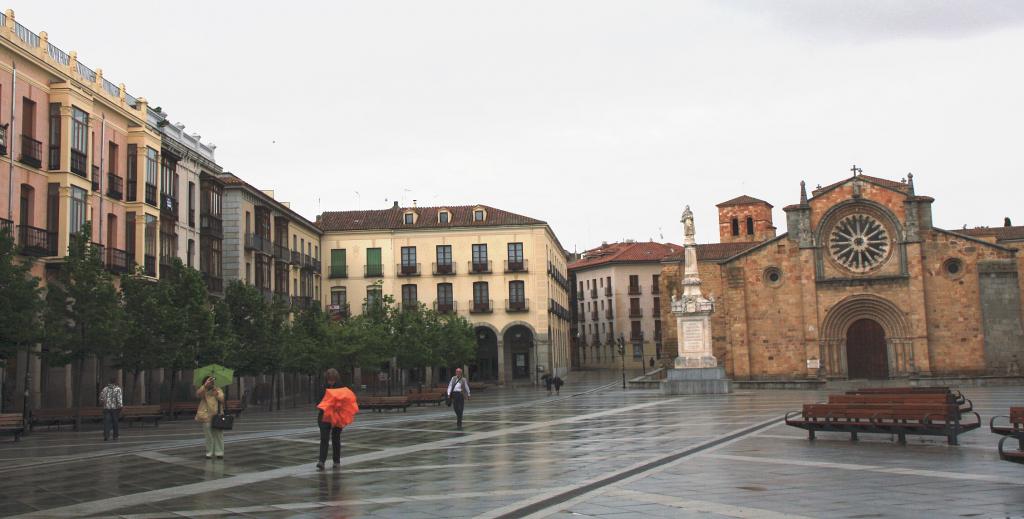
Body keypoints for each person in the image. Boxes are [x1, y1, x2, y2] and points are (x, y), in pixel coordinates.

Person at [317, 368, 343, 471]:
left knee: (336, 438)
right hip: (324, 416)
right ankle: (321, 461)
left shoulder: (341, 388)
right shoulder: (323, 387)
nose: (331, 382)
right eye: (329, 380)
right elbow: (318, 401)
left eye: (332, 380)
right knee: (324, 438)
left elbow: (344, 402)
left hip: (337, 417)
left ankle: (336, 461)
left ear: (336, 379)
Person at [195, 375, 225, 459]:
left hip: (217, 415)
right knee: (209, 436)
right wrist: (205, 386)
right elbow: (198, 394)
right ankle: (209, 453)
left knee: (219, 435)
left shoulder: (218, 389)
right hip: (206, 415)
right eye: (209, 381)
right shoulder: (203, 389)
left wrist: (217, 394)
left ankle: (219, 452)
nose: (211, 382)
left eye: (212, 381)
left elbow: (222, 400)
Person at [99, 377, 123, 441]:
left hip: (106, 408)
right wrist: (120, 406)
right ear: (115, 382)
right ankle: (115, 436)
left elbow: (101, 398)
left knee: (106, 422)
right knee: (115, 422)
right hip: (115, 408)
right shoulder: (118, 389)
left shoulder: (105, 389)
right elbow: (119, 398)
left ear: (109, 382)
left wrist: (103, 403)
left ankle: (106, 436)